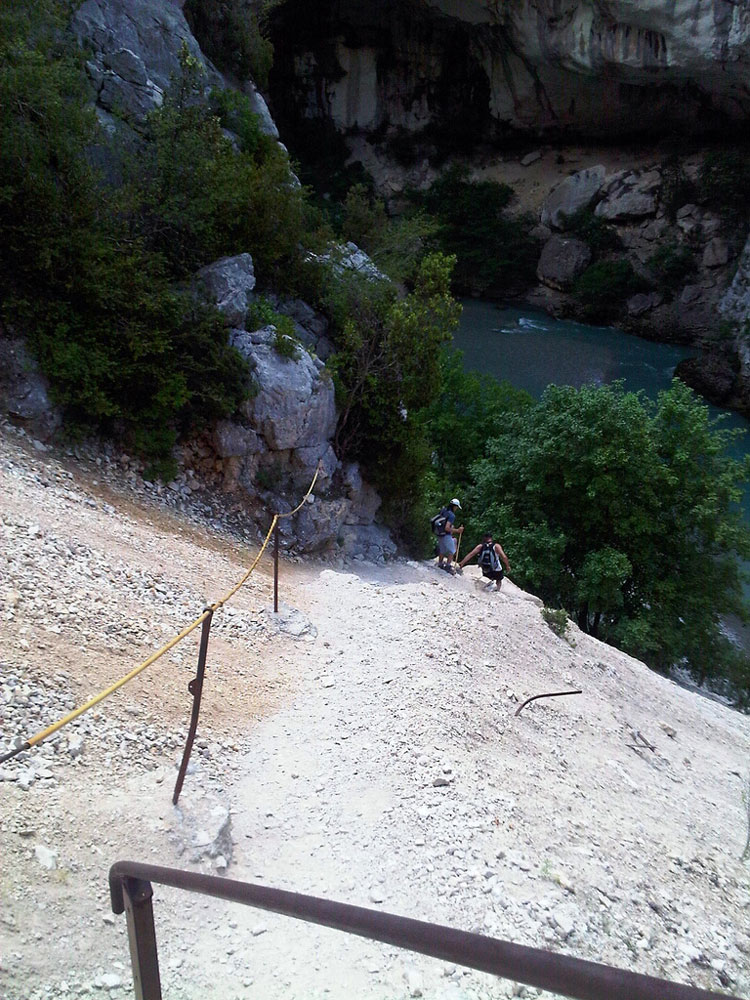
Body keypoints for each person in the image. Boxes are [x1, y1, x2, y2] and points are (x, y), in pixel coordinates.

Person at [434, 498, 464, 575]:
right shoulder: (451, 515)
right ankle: (448, 566)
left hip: (439, 533)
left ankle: (440, 564)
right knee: (452, 550)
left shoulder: (443, 510)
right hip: (446, 535)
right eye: (457, 507)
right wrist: (457, 530)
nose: (456, 509)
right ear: (455, 506)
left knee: (442, 550)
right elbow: (447, 528)